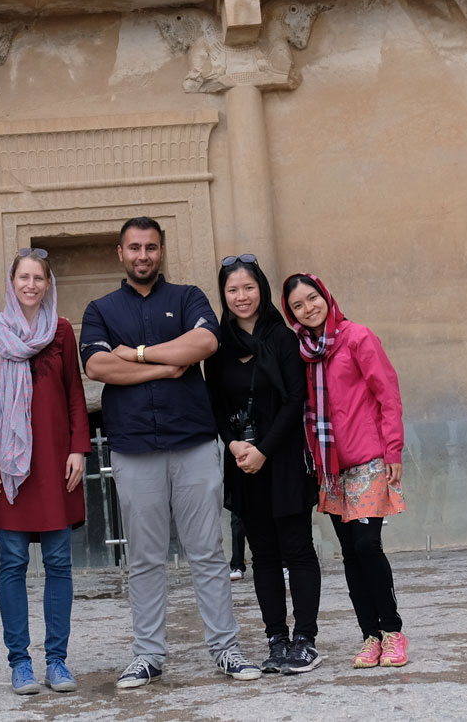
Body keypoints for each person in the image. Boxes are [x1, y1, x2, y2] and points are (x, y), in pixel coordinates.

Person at [79, 217, 262, 689]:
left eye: (152, 247)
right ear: (120, 253)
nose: (144, 255)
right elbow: (98, 365)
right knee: (144, 558)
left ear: (162, 252)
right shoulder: (100, 309)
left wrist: (137, 355)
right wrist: (165, 366)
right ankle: (147, 655)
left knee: (208, 552)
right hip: (134, 447)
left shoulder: (188, 297)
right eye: (135, 247)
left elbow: (204, 342)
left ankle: (226, 649)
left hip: (194, 443)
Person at [0, 248, 90, 696]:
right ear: (12, 281)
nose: (32, 285)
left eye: (39, 278)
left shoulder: (61, 331)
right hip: (7, 467)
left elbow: (76, 395)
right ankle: (20, 663)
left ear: (48, 284)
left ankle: (57, 661)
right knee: (13, 563)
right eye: (24, 277)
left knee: (59, 563)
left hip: (57, 464)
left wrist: (79, 449)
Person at [280, 273, 408, 669]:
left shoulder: (357, 338)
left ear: (326, 296)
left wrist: (393, 450)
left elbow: (388, 394)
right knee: (350, 552)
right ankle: (369, 636)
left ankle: (393, 631)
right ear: (292, 313)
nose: (308, 308)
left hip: (369, 459)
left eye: (312, 298)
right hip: (332, 468)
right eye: (298, 305)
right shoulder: (301, 352)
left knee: (368, 546)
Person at [206, 256, 322, 674]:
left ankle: (305, 640)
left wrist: (264, 450)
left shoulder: (283, 338)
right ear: (224, 295)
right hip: (244, 461)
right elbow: (215, 405)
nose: (242, 297)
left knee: (298, 549)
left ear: (262, 290)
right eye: (233, 290)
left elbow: (296, 400)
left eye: (249, 288)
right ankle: (277, 639)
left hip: (283, 457)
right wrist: (235, 444)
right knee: (264, 556)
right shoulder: (217, 347)